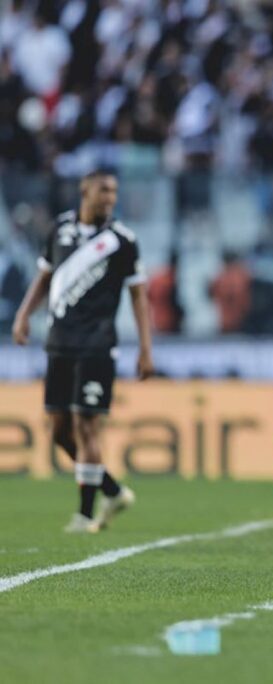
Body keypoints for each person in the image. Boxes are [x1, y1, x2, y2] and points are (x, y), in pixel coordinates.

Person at [11, 169, 154, 533]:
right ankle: (113, 490)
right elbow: (43, 277)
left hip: (97, 344)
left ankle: (86, 514)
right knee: (60, 432)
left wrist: (145, 347)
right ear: (84, 190)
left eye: (115, 192)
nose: (110, 197)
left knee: (87, 425)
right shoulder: (60, 230)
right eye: (104, 190)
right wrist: (24, 316)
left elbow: (139, 296)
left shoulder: (123, 240)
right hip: (59, 343)